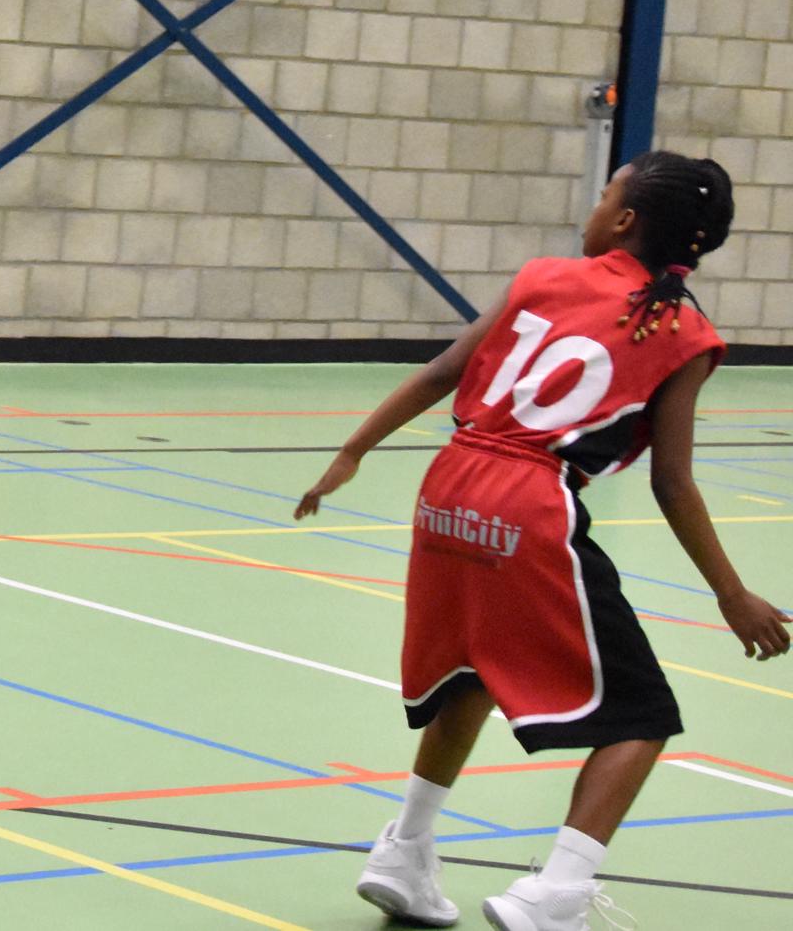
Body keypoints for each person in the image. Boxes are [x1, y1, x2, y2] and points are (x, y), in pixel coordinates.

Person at [294, 151, 790, 931]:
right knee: (642, 716)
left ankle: (404, 851)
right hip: (530, 500)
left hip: (449, 486)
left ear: (624, 220)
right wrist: (731, 592)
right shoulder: (683, 332)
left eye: (604, 195)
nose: (591, 209)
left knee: (470, 671)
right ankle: (556, 892)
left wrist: (354, 449)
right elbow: (671, 481)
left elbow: (444, 370)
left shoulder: (543, 276)